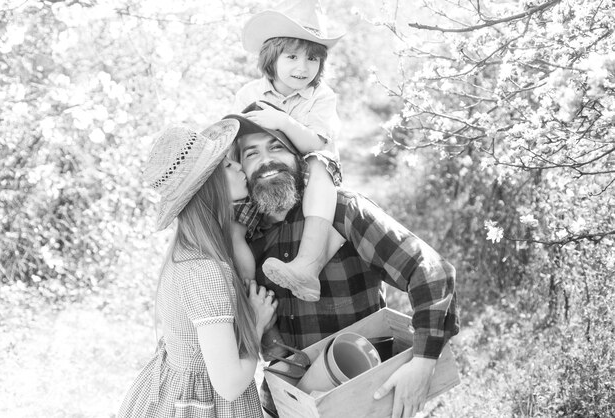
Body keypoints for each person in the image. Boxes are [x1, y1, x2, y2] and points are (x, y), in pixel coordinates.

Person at [227, 114, 460, 418]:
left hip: (365, 396)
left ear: (300, 158)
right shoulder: (247, 242)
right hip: (287, 405)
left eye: (277, 148)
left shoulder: (342, 211)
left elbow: (430, 272)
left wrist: (423, 363)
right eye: (252, 153)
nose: (267, 161)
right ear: (241, 169)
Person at [118, 120, 278, 418]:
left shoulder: (190, 245)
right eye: (226, 165)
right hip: (199, 405)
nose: (238, 166)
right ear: (209, 186)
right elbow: (229, 385)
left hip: (170, 390)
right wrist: (256, 324)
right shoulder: (205, 271)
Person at [231, 0, 346, 303]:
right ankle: (246, 293)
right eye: (292, 56)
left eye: (312, 59)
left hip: (310, 177)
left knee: (320, 164)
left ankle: (308, 263)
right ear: (271, 57)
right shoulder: (249, 94)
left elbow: (317, 144)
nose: (302, 67)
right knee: (234, 222)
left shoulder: (321, 96)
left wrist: (283, 122)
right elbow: (237, 142)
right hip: (269, 174)